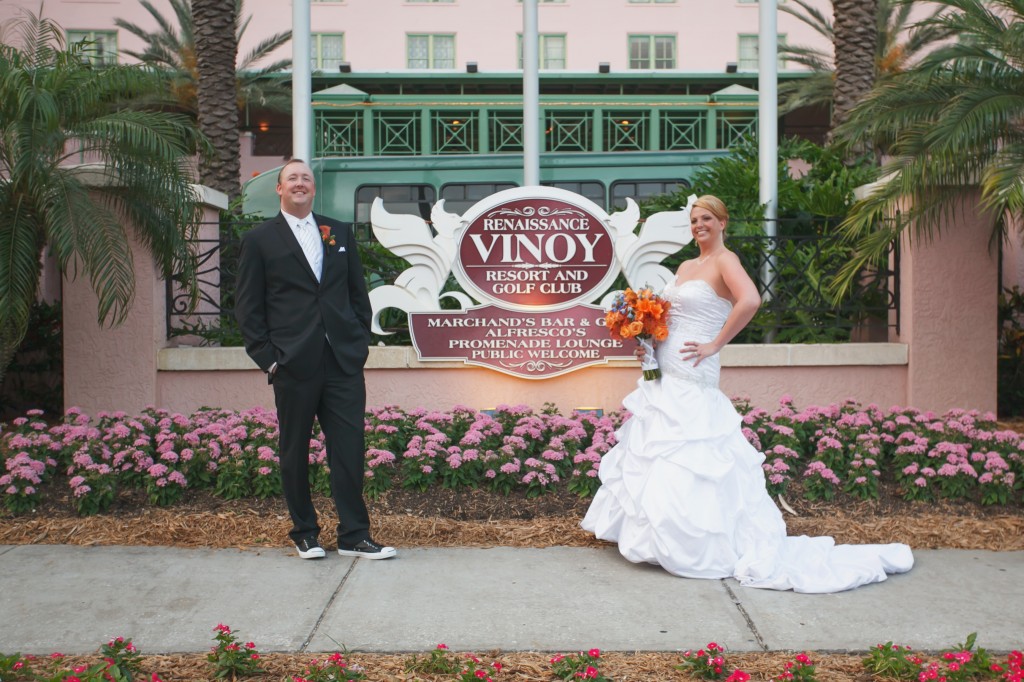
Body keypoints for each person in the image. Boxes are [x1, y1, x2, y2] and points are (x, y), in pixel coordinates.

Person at [581, 195, 913, 592]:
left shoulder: (726, 261)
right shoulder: (687, 266)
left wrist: (715, 344)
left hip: (695, 368)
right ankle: (653, 539)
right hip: (666, 367)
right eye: (693, 220)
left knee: (692, 448)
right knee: (658, 445)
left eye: (706, 218)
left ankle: (698, 542)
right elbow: (671, 316)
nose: (698, 225)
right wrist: (647, 342)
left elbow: (751, 300)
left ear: (723, 222)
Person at [234, 158, 396, 561]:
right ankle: (305, 532)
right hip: (293, 363)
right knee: (294, 451)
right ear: (280, 188)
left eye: (306, 178)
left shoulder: (337, 232)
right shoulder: (259, 240)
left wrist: (358, 342)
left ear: (313, 187)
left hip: (342, 361)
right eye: (292, 178)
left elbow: (357, 293)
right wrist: (269, 360)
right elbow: (248, 308)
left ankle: (354, 535)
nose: (300, 183)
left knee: (349, 450)